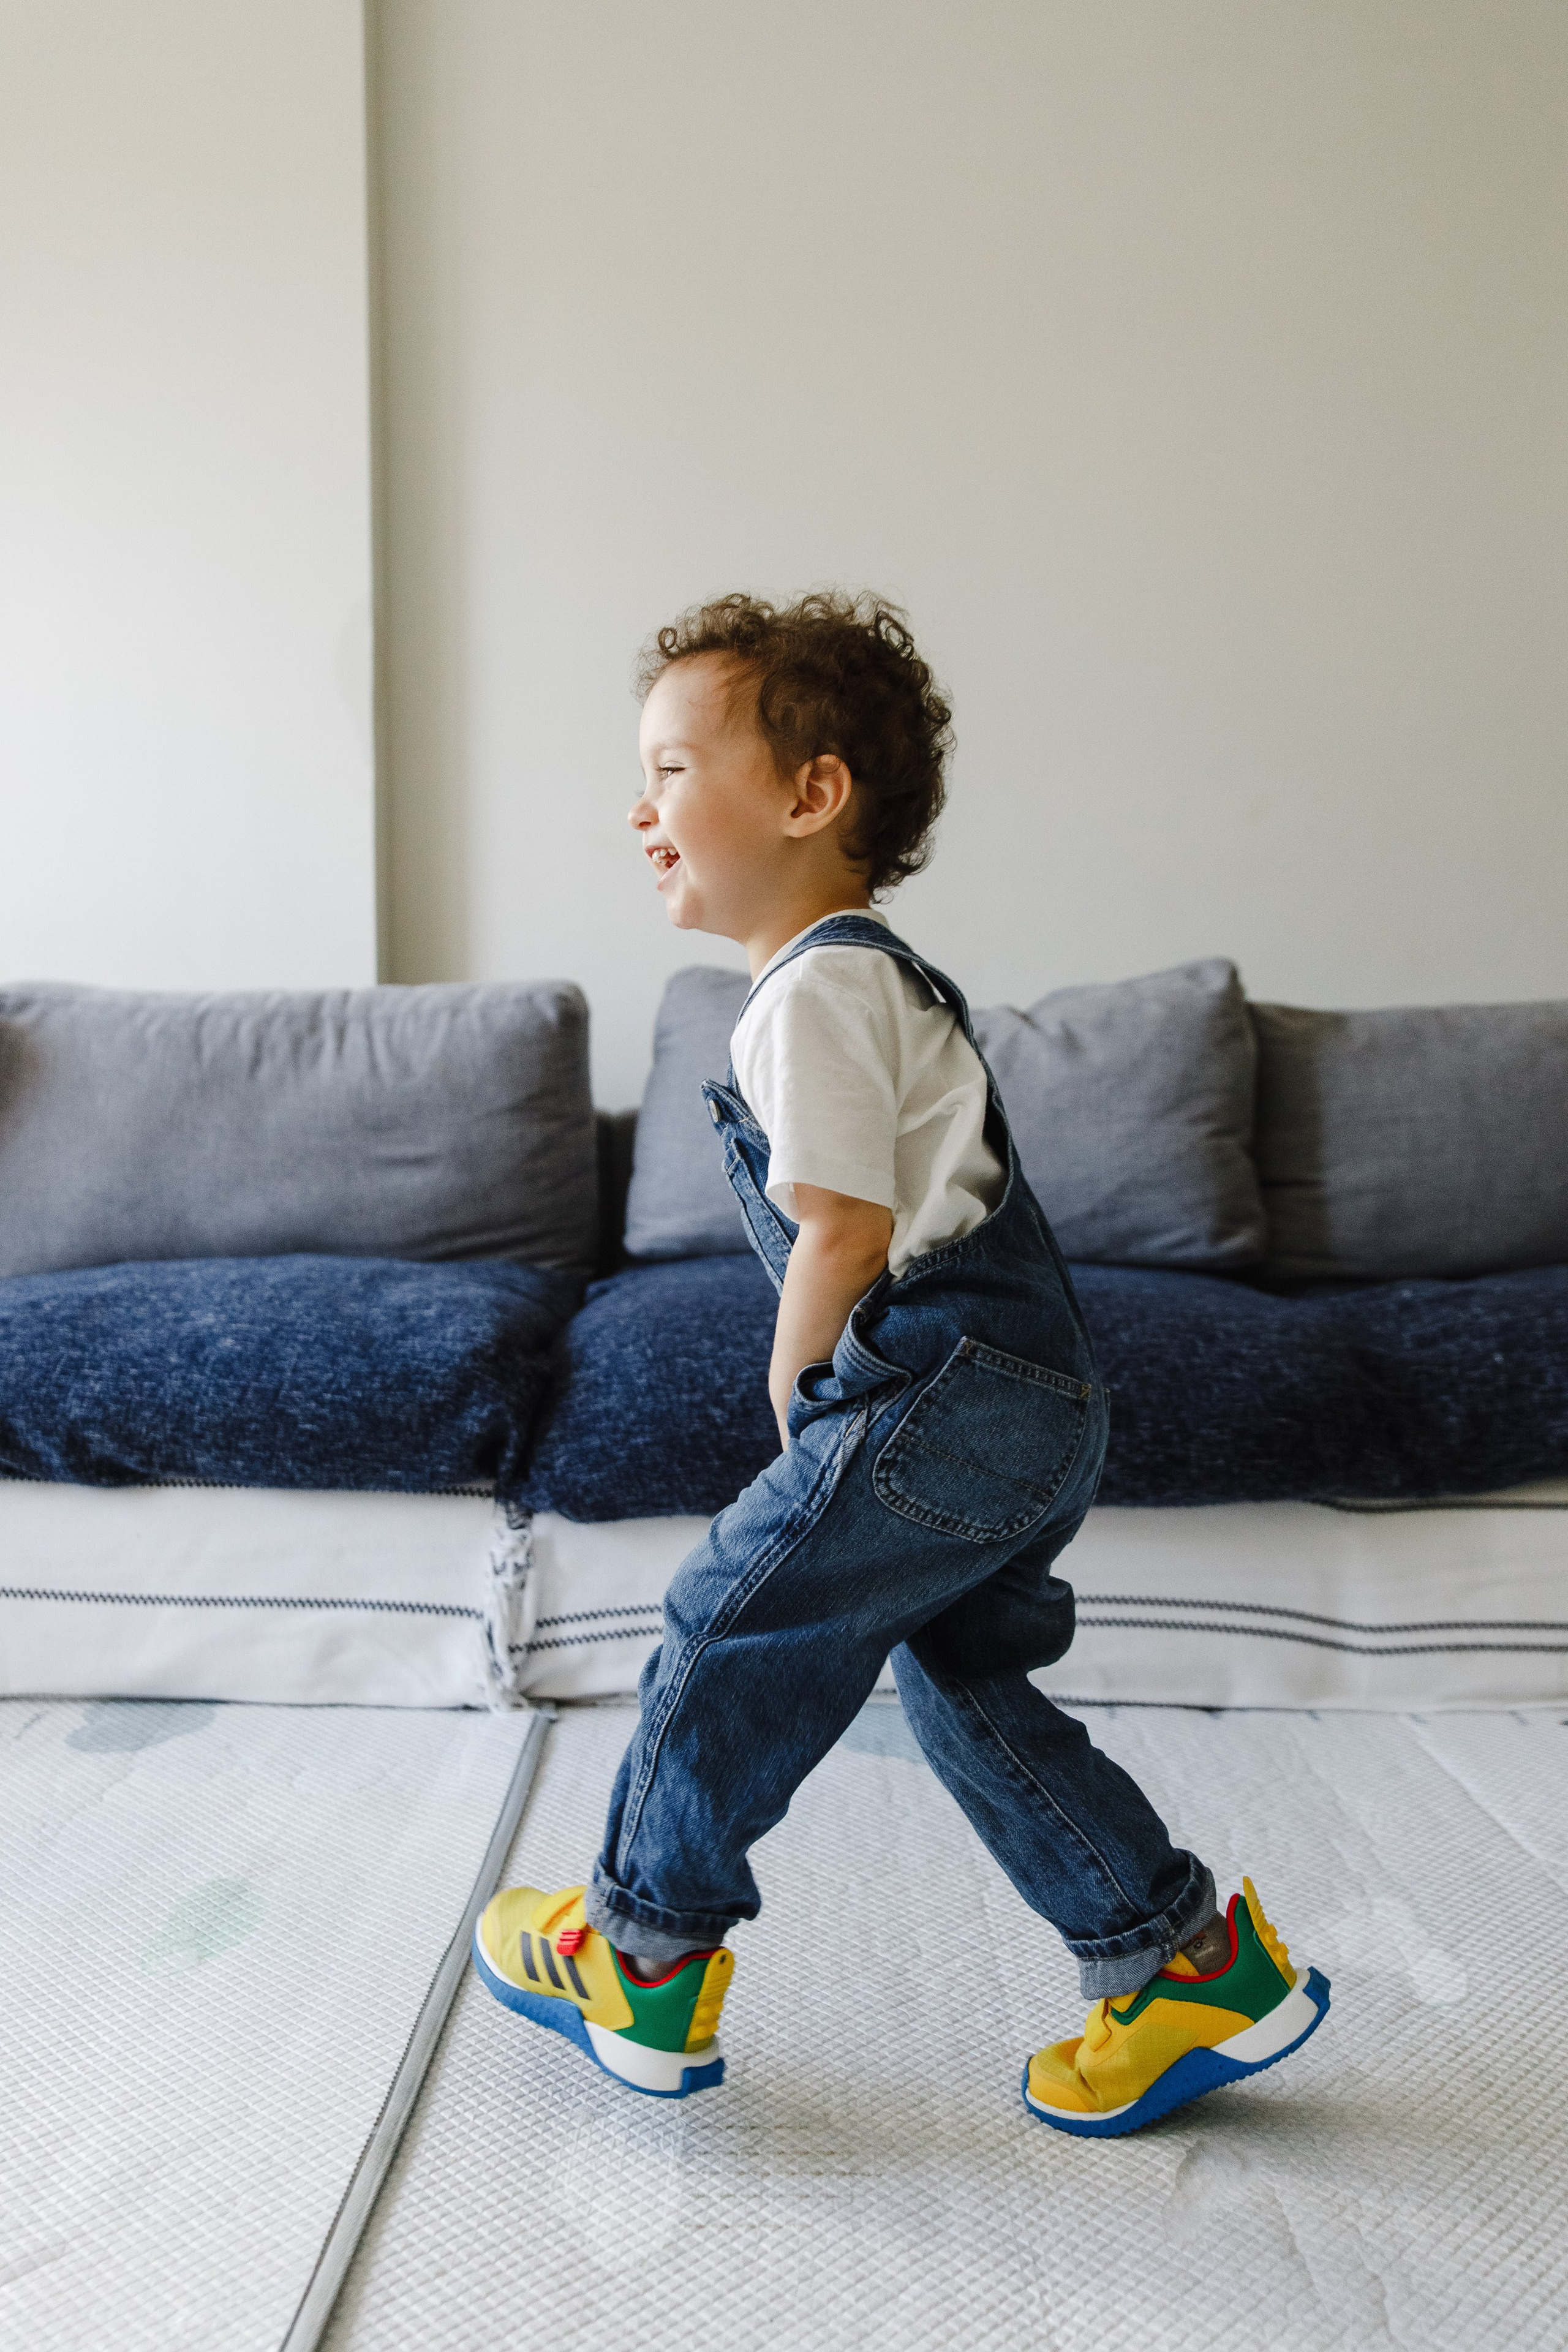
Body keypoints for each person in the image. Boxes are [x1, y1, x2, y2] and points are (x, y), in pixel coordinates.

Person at [472, 591, 1329, 2135]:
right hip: (1028, 1395)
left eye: (672, 769)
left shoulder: (810, 988)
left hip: (933, 1390)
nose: (639, 806)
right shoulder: (857, 980)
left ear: (809, 796)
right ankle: (1177, 1960)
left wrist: (799, 1392)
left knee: (725, 1615)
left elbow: (847, 1229)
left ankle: (640, 1945)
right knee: (965, 1680)